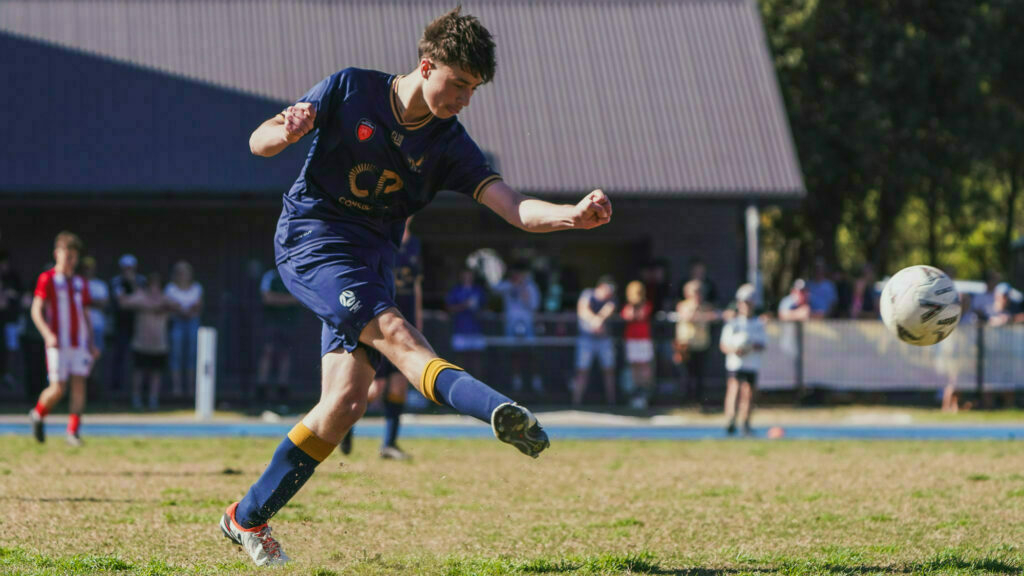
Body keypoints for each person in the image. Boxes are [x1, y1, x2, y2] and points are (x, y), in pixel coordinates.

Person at [220, 7, 612, 566]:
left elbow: (516, 208)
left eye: (473, 90)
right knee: (397, 335)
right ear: (426, 65)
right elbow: (259, 141)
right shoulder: (350, 87)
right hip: (314, 240)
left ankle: (246, 516)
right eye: (457, 84)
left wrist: (572, 216)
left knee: (346, 402)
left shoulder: (450, 144)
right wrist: (284, 131)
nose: (462, 100)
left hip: (373, 261)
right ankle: (498, 409)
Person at [340, 218, 422, 460]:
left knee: (399, 387)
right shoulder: (381, 239)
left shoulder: (415, 245)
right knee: (376, 387)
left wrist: (418, 324)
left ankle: (389, 444)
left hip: (405, 322)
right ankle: (344, 425)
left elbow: (416, 286)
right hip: (382, 320)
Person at [28, 232, 99, 446]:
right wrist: (48, 334)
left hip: (79, 343)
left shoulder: (80, 283)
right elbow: (36, 310)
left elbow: (85, 314)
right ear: (57, 254)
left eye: (74, 257)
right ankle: (38, 414)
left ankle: (73, 432)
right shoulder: (47, 279)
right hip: (58, 343)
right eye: (67, 256)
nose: (70, 261)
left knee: (79, 384)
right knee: (58, 388)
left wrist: (92, 342)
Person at [719, 284, 766, 435]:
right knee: (734, 389)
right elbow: (724, 345)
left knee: (748, 392)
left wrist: (749, 347)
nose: (746, 306)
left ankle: (746, 422)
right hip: (735, 363)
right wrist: (735, 350)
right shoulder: (733, 323)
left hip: (751, 363)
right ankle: (730, 420)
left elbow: (763, 344)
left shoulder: (758, 323)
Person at [122, 272, 172, 411]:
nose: (154, 289)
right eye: (151, 285)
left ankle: (153, 399)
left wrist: (161, 307)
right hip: (141, 343)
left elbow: (177, 306)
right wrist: (146, 306)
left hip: (159, 344)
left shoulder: (165, 298)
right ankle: (136, 399)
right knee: (139, 372)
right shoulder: (141, 296)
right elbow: (124, 302)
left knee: (156, 373)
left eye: (157, 286)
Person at [256, 266, 301, 409]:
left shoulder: (295, 275)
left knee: (285, 354)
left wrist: (280, 300)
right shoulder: (271, 276)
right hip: (271, 321)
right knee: (268, 351)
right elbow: (267, 298)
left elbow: (300, 298)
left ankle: (282, 389)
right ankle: (262, 389)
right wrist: (289, 300)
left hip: (289, 321)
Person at [494, 264, 542, 394]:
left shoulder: (531, 287)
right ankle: (516, 380)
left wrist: (524, 292)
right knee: (514, 353)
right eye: (515, 274)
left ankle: (535, 381)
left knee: (531, 353)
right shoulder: (507, 285)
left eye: (519, 274)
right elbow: (494, 289)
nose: (517, 276)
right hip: (510, 325)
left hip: (528, 325)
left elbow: (535, 305)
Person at [573, 276, 617, 406]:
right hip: (586, 339)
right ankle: (576, 403)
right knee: (582, 371)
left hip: (604, 340)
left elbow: (607, 311)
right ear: (601, 287)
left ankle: (612, 403)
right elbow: (582, 310)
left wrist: (599, 320)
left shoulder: (612, 299)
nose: (608, 294)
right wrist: (594, 320)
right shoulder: (587, 294)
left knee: (609, 370)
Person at [674, 279, 717, 407]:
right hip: (685, 345)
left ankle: (698, 400)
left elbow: (714, 316)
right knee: (686, 373)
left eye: (700, 292)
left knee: (700, 374)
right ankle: (686, 399)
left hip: (701, 344)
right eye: (695, 292)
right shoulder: (683, 305)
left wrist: (703, 314)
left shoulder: (707, 306)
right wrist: (699, 311)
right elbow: (689, 317)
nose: (698, 294)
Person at [165, 261, 203, 399]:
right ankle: (177, 388)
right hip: (177, 323)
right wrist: (182, 310)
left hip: (192, 322)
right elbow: (169, 305)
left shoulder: (196, 287)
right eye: (180, 272)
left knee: (192, 355)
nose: (183, 275)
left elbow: (198, 306)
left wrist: (183, 309)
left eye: (185, 272)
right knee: (176, 355)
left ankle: (192, 389)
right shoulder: (170, 288)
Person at [109, 254, 145, 392]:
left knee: (140, 357)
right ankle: (116, 389)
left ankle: (140, 390)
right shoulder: (116, 281)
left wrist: (133, 284)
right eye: (126, 268)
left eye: (130, 268)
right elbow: (121, 303)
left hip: (139, 324)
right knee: (120, 356)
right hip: (121, 325)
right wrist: (134, 301)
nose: (128, 271)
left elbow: (144, 300)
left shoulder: (141, 280)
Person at [446, 268, 488, 379]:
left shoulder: (478, 290)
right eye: (465, 275)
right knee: (461, 356)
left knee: (476, 356)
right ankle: (461, 380)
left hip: (476, 328)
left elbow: (485, 308)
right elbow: (450, 308)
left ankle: (478, 381)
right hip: (460, 328)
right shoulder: (456, 290)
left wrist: (478, 311)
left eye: (469, 275)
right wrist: (464, 305)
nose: (467, 277)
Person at [621, 281, 654, 409]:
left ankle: (644, 392)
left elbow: (641, 316)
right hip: (631, 339)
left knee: (644, 365)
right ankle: (635, 392)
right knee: (634, 366)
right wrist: (632, 304)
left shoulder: (646, 305)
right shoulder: (628, 306)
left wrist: (638, 304)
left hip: (643, 339)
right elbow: (628, 316)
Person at [0, 249, 24, 390]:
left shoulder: (13, 278)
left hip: (9, 320)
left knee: (10, 347)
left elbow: (22, 297)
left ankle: (7, 373)